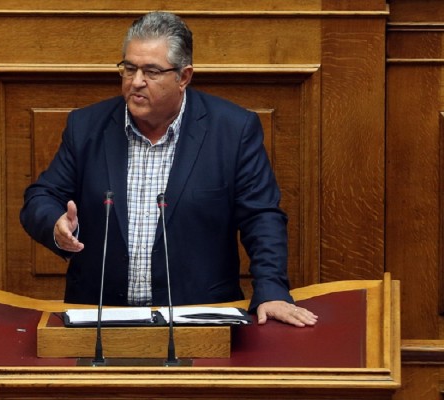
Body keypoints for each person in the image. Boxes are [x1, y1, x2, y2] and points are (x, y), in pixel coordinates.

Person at [20, 11, 317, 327]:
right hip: (100, 318)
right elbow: (41, 197)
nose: (136, 82)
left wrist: (271, 290)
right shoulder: (86, 126)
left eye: (151, 71)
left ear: (184, 77)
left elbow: (261, 216)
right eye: (129, 68)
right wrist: (56, 225)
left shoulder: (232, 130)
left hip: (199, 317)